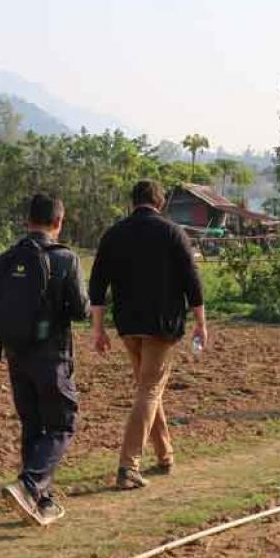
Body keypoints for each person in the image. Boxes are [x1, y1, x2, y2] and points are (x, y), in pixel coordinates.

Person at [88, 179, 206, 490]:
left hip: (128, 326)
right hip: (162, 326)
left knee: (147, 388)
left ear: (132, 202)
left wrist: (98, 329)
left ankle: (165, 455)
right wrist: (200, 322)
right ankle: (128, 466)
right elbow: (192, 281)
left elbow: (97, 286)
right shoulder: (172, 233)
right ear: (161, 203)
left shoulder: (114, 234)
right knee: (149, 391)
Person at [0, 193, 89, 526]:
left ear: (27, 220)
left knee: (33, 425)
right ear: (59, 222)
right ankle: (30, 485)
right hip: (52, 356)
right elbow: (79, 309)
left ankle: (40, 500)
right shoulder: (65, 259)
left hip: (16, 354)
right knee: (63, 423)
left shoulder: (5, 259)